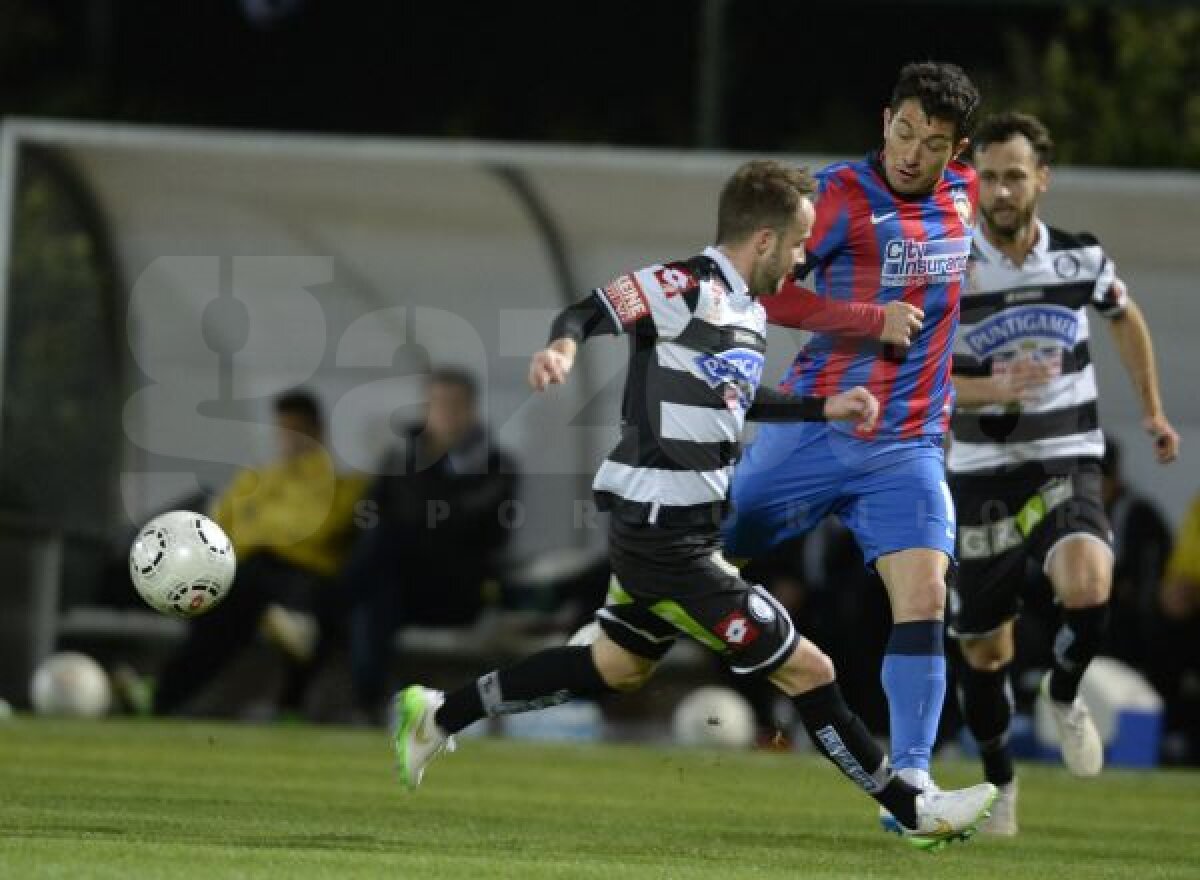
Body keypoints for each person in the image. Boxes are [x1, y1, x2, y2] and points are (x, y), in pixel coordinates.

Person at [393, 159, 996, 851]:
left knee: (615, 666)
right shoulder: (685, 285)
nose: (805, 258)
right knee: (812, 670)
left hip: (682, 533)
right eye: (799, 243)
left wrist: (821, 405)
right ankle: (913, 809)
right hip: (664, 541)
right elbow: (592, 309)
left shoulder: (744, 309)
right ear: (764, 240)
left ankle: (436, 716)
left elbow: (737, 398)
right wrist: (562, 346)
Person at [723, 62, 982, 807]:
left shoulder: (964, 196)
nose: (911, 153)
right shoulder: (836, 197)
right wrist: (867, 320)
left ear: (955, 150)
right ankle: (603, 640)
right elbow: (764, 290)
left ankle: (912, 779)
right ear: (884, 121)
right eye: (903, 132)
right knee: (697, 562)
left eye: (932, 143)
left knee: (926, 594)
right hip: (818, 426)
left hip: (906, 443)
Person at [944, 111, 1180, 834]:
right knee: (986, 651)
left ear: (1041, 179)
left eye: (1015, 175)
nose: (1002, 190)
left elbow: (1125, 317)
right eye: (988, 176)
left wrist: (1152, 411)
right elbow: (914, 381)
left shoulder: (1079, 258)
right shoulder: (949, 265)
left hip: (1065, 457)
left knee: (1090, 582)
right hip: (979, 473)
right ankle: (1000, 785)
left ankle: (1065, 692)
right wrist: (992, 389)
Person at [153, 390, 366, 716]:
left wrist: (260, 534)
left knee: (306, 606)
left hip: (302, 572)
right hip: (247, 570)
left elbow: (321, 532)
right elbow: (219, 531)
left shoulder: (340, 485)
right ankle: (164, 698)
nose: (289, 441)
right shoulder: (253, 481)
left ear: (317, 433)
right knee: (218, 610)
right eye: (284, 431)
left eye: (298, 431)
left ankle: (167, 697)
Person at [342, 368, 519, 721]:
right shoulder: (399, 459)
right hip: (399, 586)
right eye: (438, 404)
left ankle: (321, 607)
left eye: (455, 405)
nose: (446, 414)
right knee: (376, 594)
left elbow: (466, 523)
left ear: (471, 410)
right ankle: (365, 707)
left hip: (456, 589)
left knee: (381, 554)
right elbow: (365, 514)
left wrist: (411, 512)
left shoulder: (496, 466)